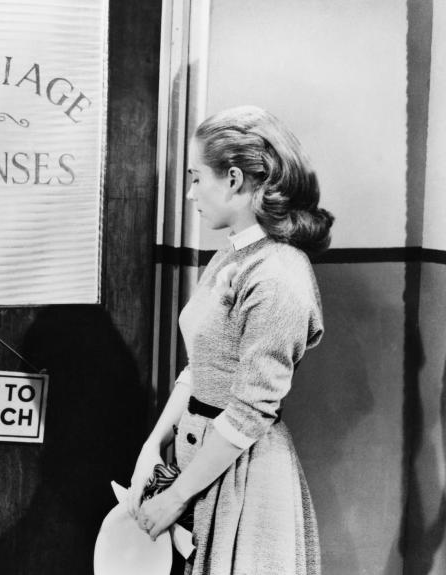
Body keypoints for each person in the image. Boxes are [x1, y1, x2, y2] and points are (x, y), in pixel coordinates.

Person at [127, 105, 333, 575]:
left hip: (244, 475)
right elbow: (200, 367)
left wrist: (176, 497)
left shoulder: (279, 273)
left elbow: (249, 410)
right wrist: (152, 445)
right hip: (199, 460)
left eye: (197, 178)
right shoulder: (233, 254)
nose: (190, 192)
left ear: (235, 179)